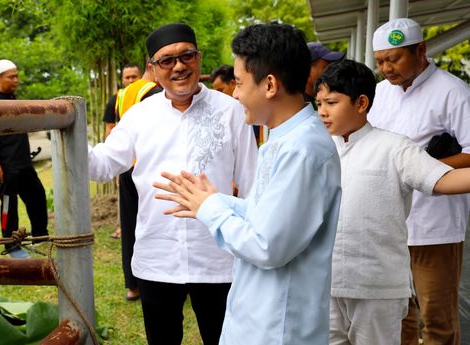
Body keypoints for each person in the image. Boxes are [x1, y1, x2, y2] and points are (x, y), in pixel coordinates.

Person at [154, 22, 342, 345]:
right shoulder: (282, 139)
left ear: (269, 85)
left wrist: (210, 208)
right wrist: (218, 201)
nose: (235, 93)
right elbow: (268, 215)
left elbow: (266, 244)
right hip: (257, 316)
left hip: (277, 328)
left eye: (239, 83)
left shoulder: (302, 150)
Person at [88, 23, 257, 345]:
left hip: (218, 256)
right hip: (158, 256)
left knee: (224, 339)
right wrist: (66, 130)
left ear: (199, 58)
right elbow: (103, 164)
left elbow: (251, 182)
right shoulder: (139, 115)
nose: (178, 66)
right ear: (153, 69)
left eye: (186, 56)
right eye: (166, 61)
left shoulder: (232, 111)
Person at [315, 59, 470, 345]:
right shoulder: (318, 149)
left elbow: (444, 180)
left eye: (332, 102)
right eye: (319, 103)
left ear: (361, 103)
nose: (322, 112)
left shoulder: (395, 147)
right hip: (327, 283)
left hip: (377, 287)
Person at [368, 18, 470, 345]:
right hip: (388, 224)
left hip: (435, 227)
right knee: (399, 316)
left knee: (436, 319)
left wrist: (424, 166)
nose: (385, 68)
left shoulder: (453, 91)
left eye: (393, 59)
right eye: (380, 60)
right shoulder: (378, 93)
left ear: (421, 50)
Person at [0, 59, 48, 259]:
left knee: (37, 195)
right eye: (11, 77)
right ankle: (11, 244)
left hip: (23, 163)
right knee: (8, 206)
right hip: (6, 165)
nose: (16, 80)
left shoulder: (13, 99)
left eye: (16, 76)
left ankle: (40, 235)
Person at [114, 64, 162, 302]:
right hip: (150, 166)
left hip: (126, 165)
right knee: (157, 222)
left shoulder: (124, 94)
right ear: (153, 67)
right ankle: (160, 279)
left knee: (129, 223)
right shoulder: (156, 93)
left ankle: (132, 286)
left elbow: (115, 129)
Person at [103, 63, 142, 239]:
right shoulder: (116, 100)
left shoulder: (149, 96)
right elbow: (109, 130)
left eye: (135, 76)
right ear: (122, 80)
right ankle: (122, 227)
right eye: (128, 77)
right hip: (126, 157)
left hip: (145, 157)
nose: (131, 80)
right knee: (125, 198)